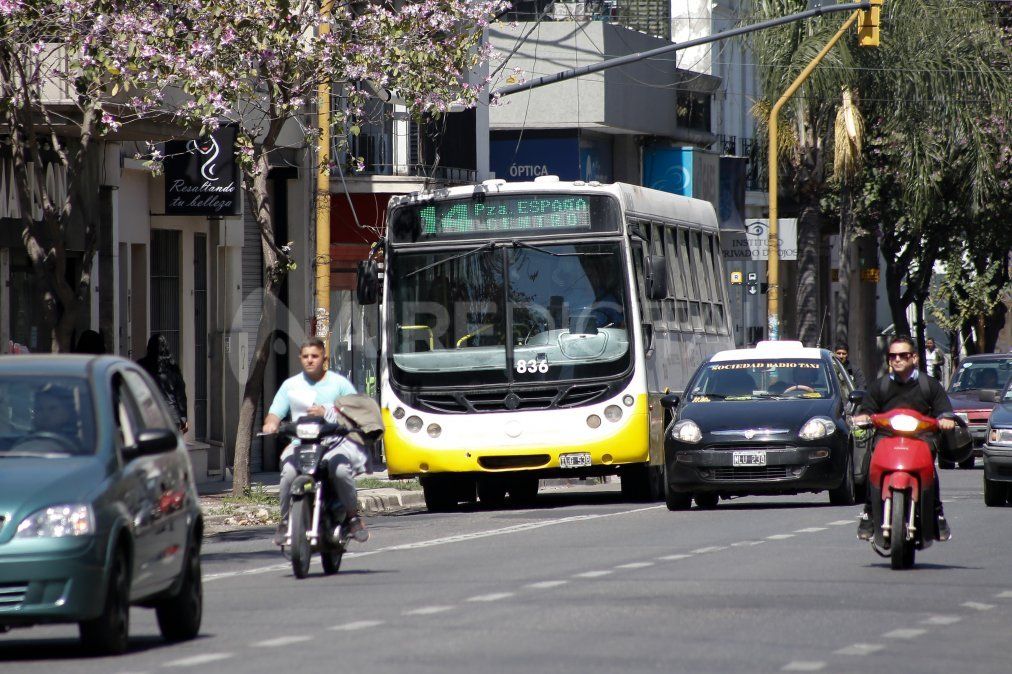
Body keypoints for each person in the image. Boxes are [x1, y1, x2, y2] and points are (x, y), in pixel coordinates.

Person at [262, 337, 367, 546]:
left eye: (315, 356)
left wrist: (328, 412)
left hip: (332, 444)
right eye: (306, 356)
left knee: (340, 470)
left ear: (324, 358)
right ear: (300, 359)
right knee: (288, 474)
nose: (310, 360)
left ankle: (353, 517)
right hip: (300, 444)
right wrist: (271, 425)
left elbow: (356, 410)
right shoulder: (290, 385)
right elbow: (274, 413)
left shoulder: (339, 384)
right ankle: (284, 522)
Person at [851, 336, 956, 542]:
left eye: (903, 355)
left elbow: (944, 410)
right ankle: (869, 512)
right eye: (893, 356)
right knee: (874, 465)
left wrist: (946, 419)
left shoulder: (929, 386)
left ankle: (937, 512)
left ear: (914, 358)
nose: (897, 359)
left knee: (930, 469)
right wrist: (862, 417)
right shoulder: (879, 387)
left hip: (921, 438)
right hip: (887, 437)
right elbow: (867, 409)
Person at [137, 334, 189, 433]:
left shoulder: (141, 366)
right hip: (171, 416)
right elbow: (180, 395)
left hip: (149, 414)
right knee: (171, 447)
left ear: (149, 348)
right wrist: (184, 418)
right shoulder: (173, 368)